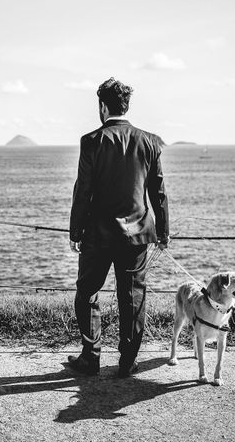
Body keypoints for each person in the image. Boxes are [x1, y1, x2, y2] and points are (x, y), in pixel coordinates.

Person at [68, 78, 169, 377]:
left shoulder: (91, 141)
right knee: (133, 295)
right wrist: (163, 231)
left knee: (86, 292)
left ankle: (91, 356)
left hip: (97, 235)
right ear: (126, 105)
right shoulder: (150, 141)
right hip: (138, 235)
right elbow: (158, 192)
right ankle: (128, 362)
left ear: (102, 106)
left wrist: (75, 232)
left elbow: (82, 191)